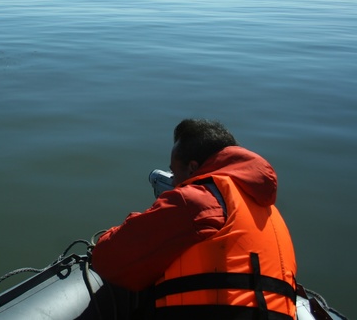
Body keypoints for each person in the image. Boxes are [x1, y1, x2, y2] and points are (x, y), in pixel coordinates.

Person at [91, 119, 297, 319]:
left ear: (192, 167)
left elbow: (107, 258)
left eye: (174, 171)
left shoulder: (197, 201)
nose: (173, 180)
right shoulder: (269, 211)